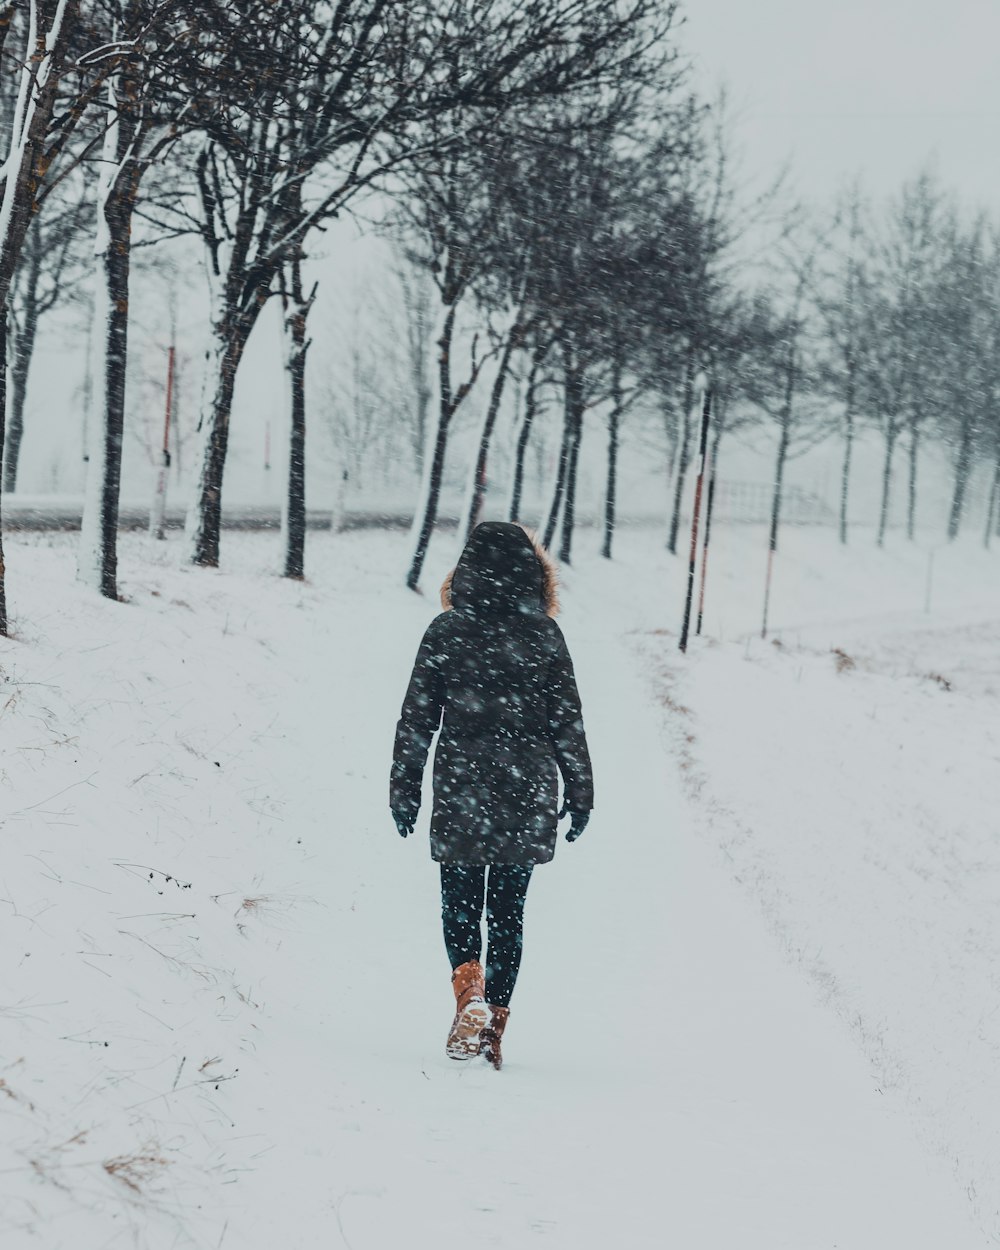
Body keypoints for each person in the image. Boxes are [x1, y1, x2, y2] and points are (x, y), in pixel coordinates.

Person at [390, 522, 593, 1070]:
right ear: (533, 572)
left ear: (467, 568)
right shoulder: (544, 635)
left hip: (462, 786)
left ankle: (468, 994)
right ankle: (494, 1030)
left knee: (460, 905)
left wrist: (404, 788)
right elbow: (566, 720)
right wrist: (581, 791)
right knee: (509, 913)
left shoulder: (446, 630)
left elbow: (417, 720)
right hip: (525, 790)